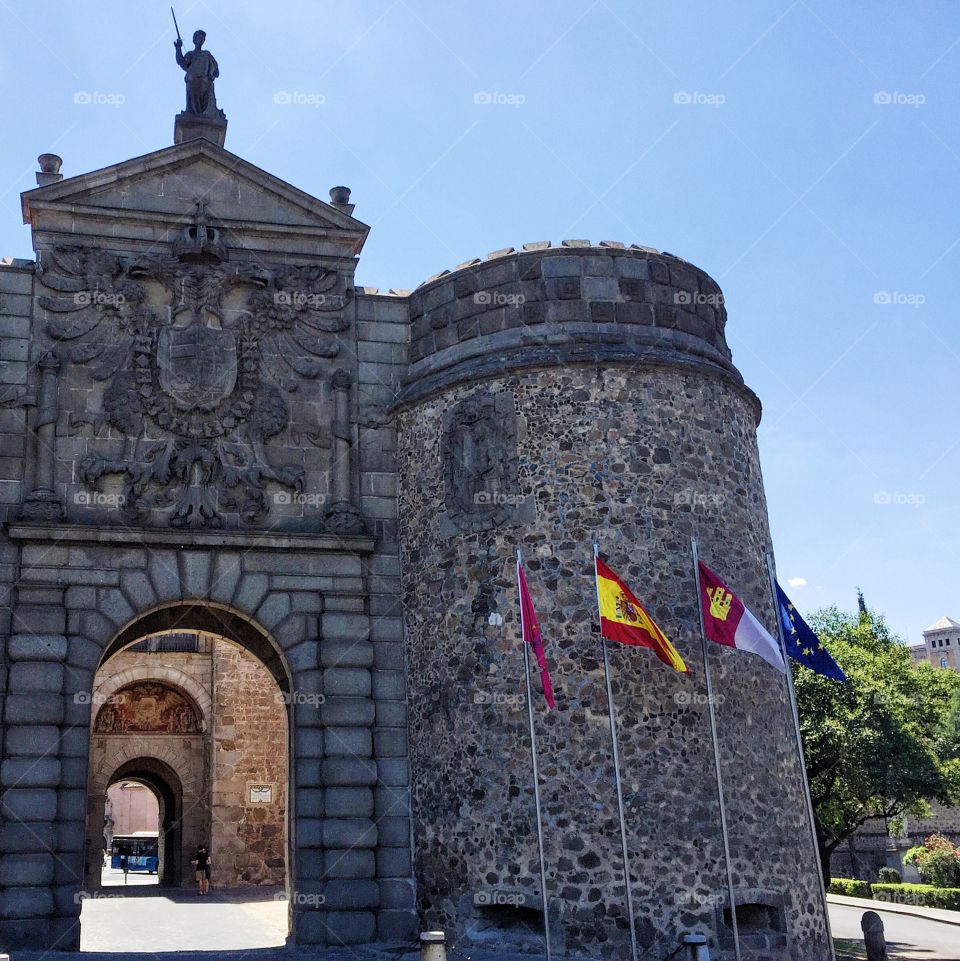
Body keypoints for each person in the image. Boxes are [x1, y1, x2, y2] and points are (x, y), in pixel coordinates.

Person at [174, 30, 220, 116]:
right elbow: (182, 62)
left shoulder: (207, 55)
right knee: (193, 107)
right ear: (194, 39)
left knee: (204, 105)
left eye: (203, 38)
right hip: (192, 82)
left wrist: (211, 75)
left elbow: (216, 71)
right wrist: (178, 48)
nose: (201, 39)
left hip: (205, 83)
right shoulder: (190, 54)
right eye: (199, 37)